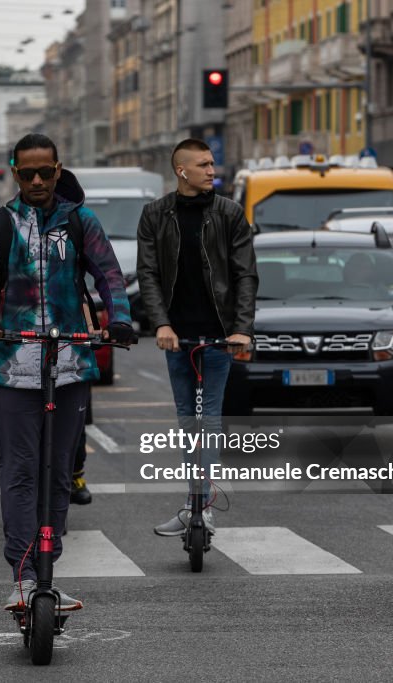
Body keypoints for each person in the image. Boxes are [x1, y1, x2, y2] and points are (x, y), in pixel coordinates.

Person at [0, 133, 133, 612]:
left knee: (57, 476)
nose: (37, 181)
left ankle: (48, 573)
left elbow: (110, 276)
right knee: (19, 474)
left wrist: (118, 319)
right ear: (14, 174)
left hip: (70, 367)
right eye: (26, 174)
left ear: (59, 170)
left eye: (45, 172)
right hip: (14, 369)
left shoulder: (81, 221)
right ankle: (22, 576)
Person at [136, 138, 257, 537]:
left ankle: (200, 505)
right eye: (203, 164)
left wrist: (241, 329)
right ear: (181, 170)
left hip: (220, 335)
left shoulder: (229, 213)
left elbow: (244, 275)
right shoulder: (155, 215)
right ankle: (194, 503)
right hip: (179, 338)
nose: (212, 170)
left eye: (212, 163)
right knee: (188, 421)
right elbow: (149, 274)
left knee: (209, 418)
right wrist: (161, 324)